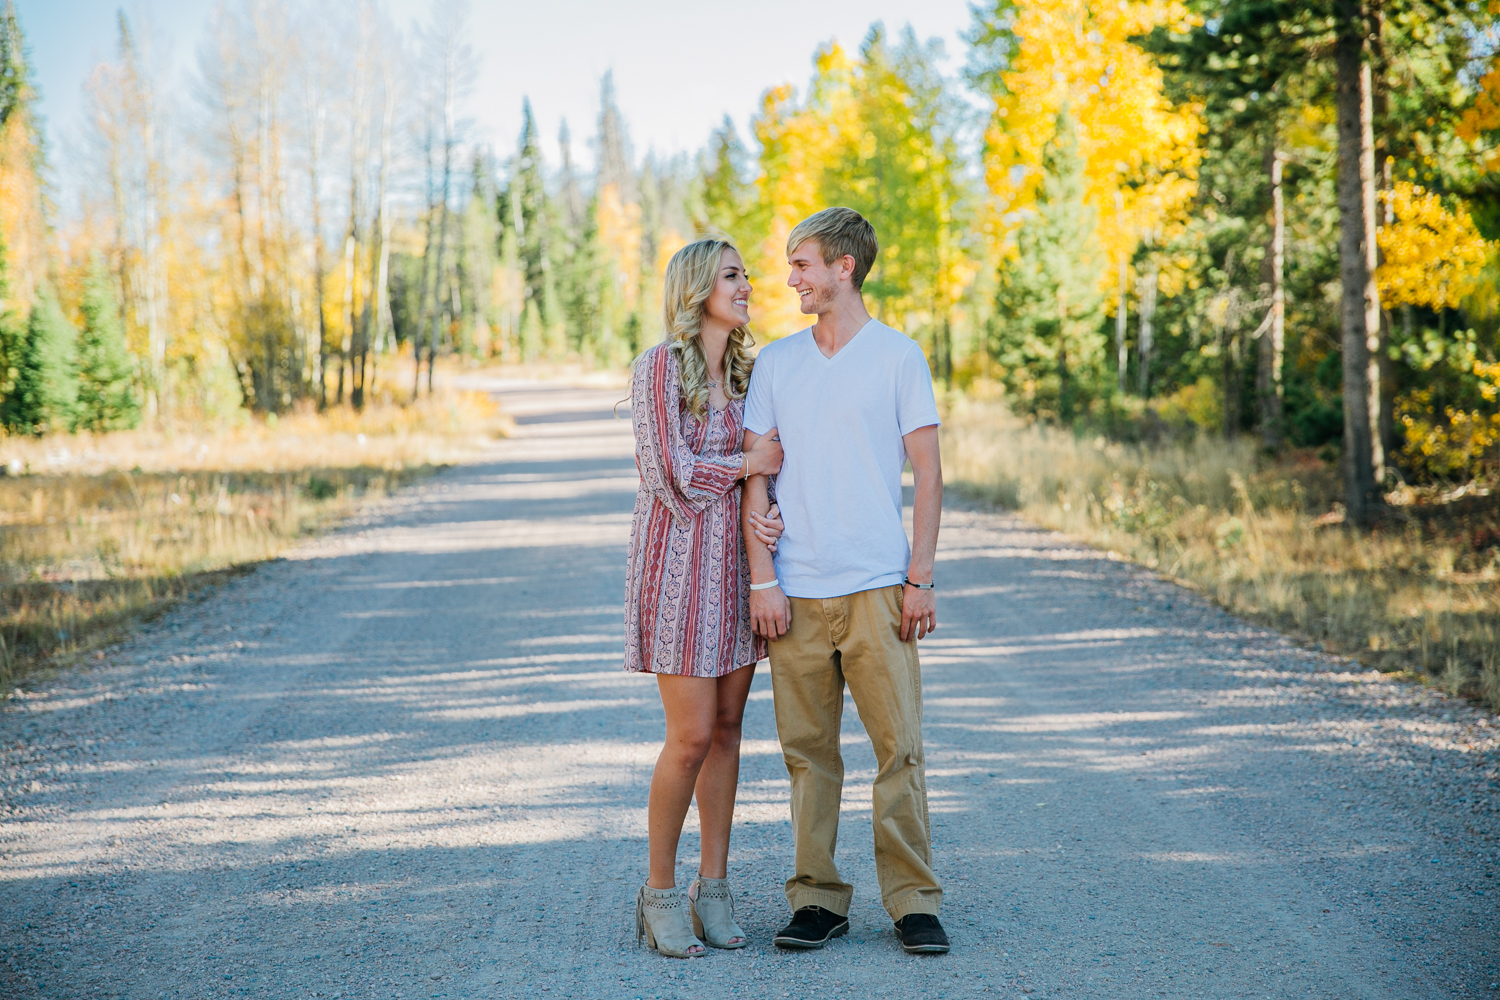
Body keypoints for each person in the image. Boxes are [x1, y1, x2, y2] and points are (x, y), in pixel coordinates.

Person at [741, 207, 950, 956]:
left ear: (844, 268)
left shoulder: (899, 357)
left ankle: (913, 900)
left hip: (877, 588)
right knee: (807, 754)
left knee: (899, 751)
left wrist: (919, 577)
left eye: (801, 265)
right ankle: (817, 899)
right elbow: (757, 478)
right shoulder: (777, 363)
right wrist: (762, 579)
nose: (790, 278)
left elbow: (927, 475)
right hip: (795, 594)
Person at [625, 236, 785, 959]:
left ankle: (712, 890)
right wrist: (749, 461)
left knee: (727, 733)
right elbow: (671, 474)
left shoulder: (755, 374)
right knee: (689, 738)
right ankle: (658, 895)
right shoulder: (658, 367)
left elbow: (774, 473)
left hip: (737, 575)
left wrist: (772, 505)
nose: (747, 284)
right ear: (696, 288)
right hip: (678, 575)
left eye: (746, 274)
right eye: (732, 275)